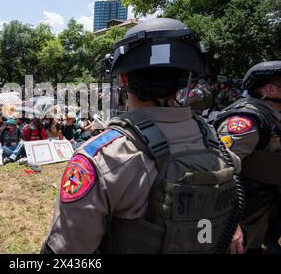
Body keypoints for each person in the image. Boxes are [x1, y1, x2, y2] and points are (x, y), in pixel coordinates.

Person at [41, 18, 244, 254]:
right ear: (184, 78)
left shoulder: (102, 157)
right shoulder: (213, 140)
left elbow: (67, 251)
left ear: (124, 79)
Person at [214, 61, 281, 254]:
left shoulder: (273, 115)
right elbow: (215, 173)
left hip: (265, 213)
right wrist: (229, 224)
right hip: (243, 217)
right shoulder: (247, 122)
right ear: (271, 89)